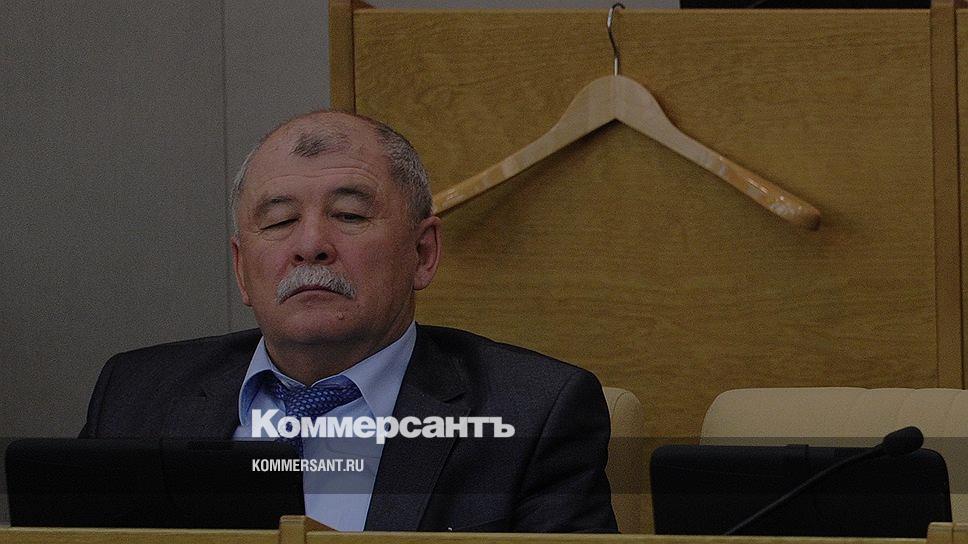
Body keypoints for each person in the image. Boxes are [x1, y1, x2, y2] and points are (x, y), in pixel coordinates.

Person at [80, 110, 618, 533]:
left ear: (423, 253)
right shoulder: (134, 398)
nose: (311, 245)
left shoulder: (533, 414)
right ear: (242, 270)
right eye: (280, 221)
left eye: (349, 215)